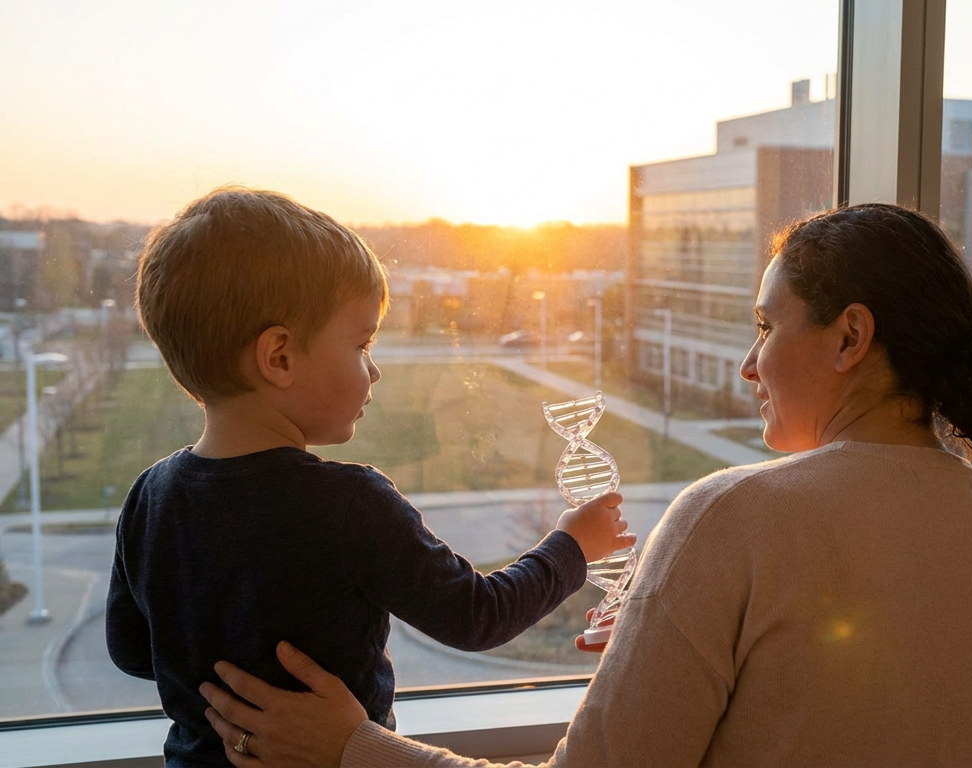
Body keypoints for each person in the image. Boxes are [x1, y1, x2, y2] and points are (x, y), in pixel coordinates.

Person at [201, 202, 972, 767]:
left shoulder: (734, 516)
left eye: (766, 325)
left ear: (850, 338)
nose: (748, 364)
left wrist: (352, 745)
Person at [106, 188, 635, 767]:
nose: (375, 369)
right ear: (278, 356)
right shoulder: (349, 503)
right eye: (361, 344)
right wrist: (573, 546)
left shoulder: (150, 495)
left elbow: (132, 650)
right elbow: (477, 617)